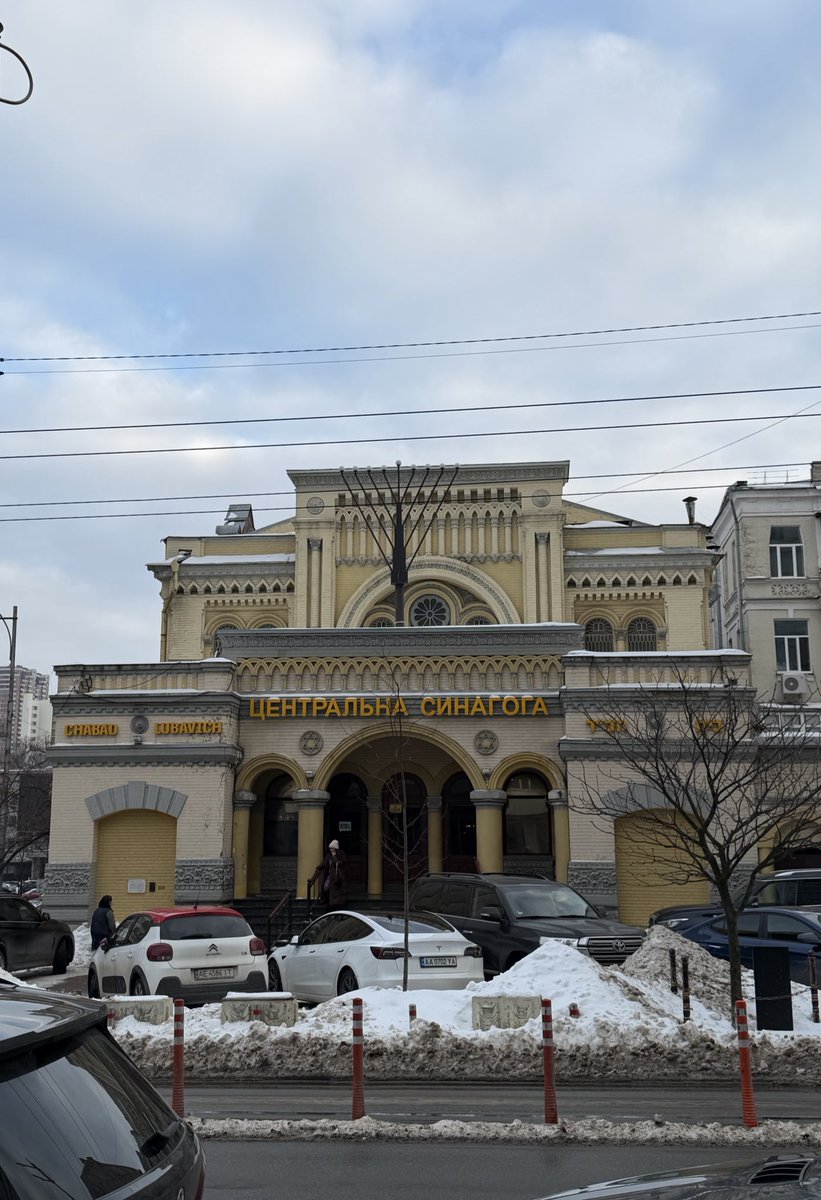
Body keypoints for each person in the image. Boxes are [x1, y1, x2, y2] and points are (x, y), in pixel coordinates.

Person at [314, 840, 346, 911]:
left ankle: (334, 906)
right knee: (326, 888)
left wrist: (334, 857)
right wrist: (318, 867)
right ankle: (328, 902)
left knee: (336, 891)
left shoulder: (340, 854)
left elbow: (340, 863)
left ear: (335, 848)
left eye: (331, 848)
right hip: (329, 876)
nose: (330, 849)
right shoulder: (329, 855)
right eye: (330, 848)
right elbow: (325, 863)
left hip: (336, 876)